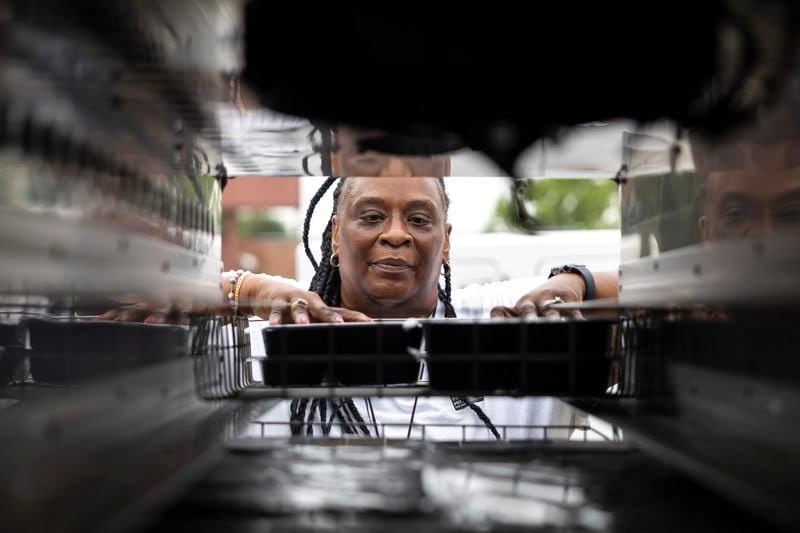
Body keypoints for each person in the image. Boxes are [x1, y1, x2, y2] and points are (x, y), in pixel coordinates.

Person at [233, 174, 618, 440]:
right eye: (372, 217)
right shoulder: (292, 327)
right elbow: (178, 288)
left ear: (446, 241)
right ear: (335, 234)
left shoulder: (501, 316)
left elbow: (667, 281)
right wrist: (253, 286)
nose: (397, 234)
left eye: (418, 219)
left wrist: (572, 281)